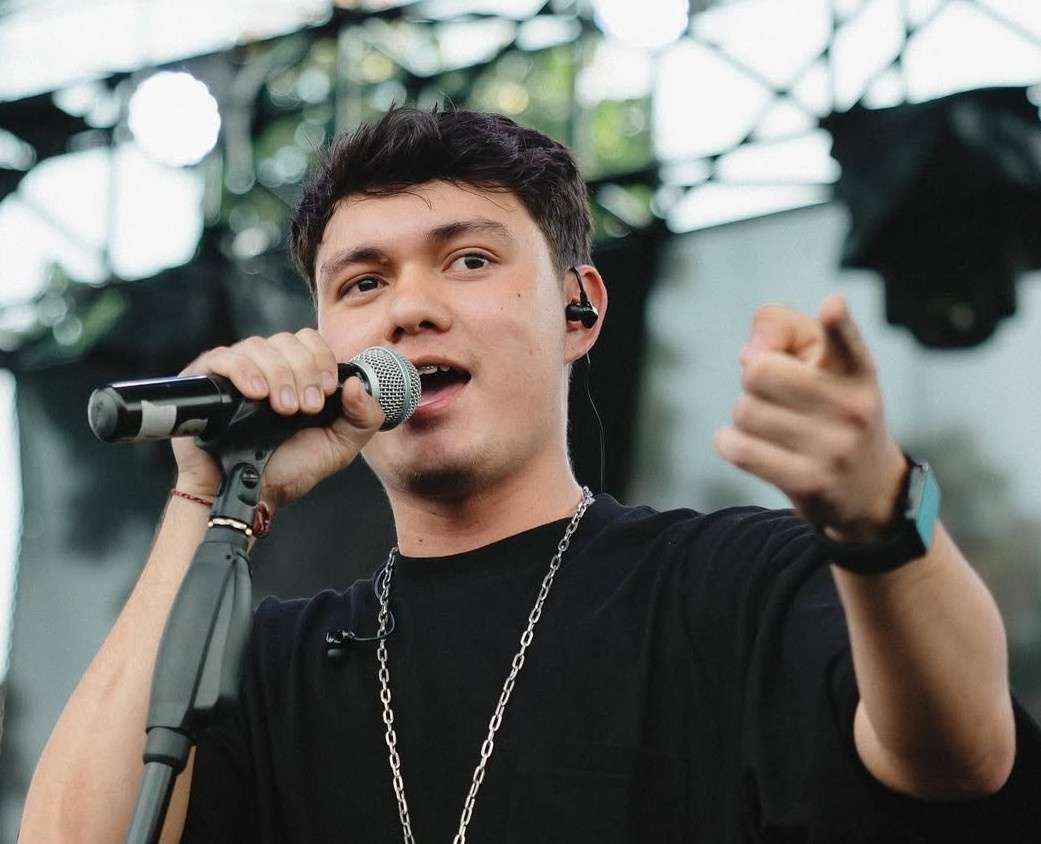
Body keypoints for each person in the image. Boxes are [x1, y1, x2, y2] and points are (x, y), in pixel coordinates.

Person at [20, 105, 1040, 843]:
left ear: (579, 309)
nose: (409, 308)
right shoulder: (268, 663)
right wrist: (205, 497)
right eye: (362, 282)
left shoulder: (729, 583)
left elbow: (962, 756)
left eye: (468, 260)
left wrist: (880, 518)